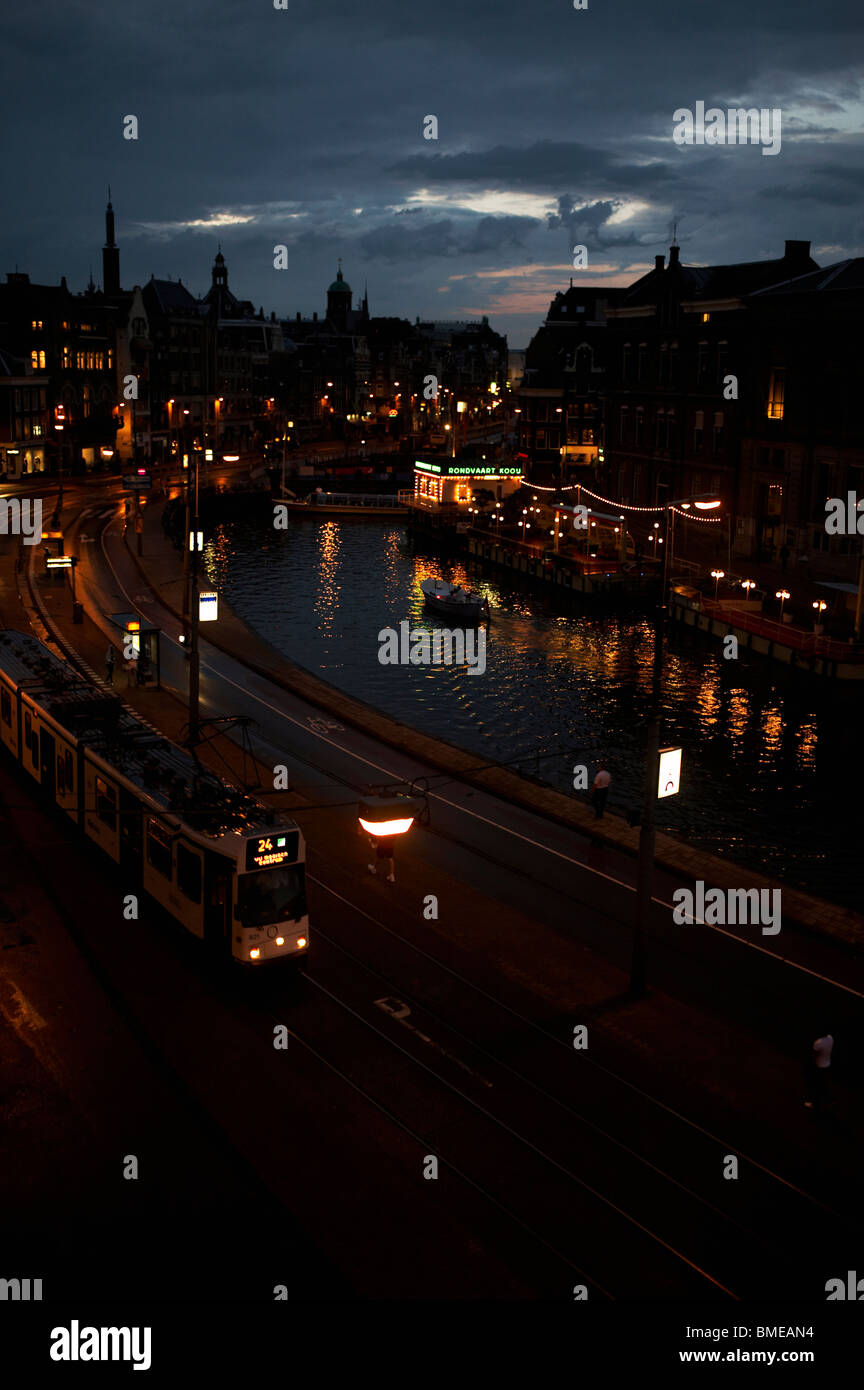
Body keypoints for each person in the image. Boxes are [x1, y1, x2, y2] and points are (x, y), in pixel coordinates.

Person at [804, 1030, 834, 1109]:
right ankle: (829, 1100)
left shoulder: (818, 1043)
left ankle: (813, 1102)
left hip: (819, 1066)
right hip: (827, 1064)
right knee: (825, 1084)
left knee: (815, 1085)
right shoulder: (830, 1038)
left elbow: (813, 1055)